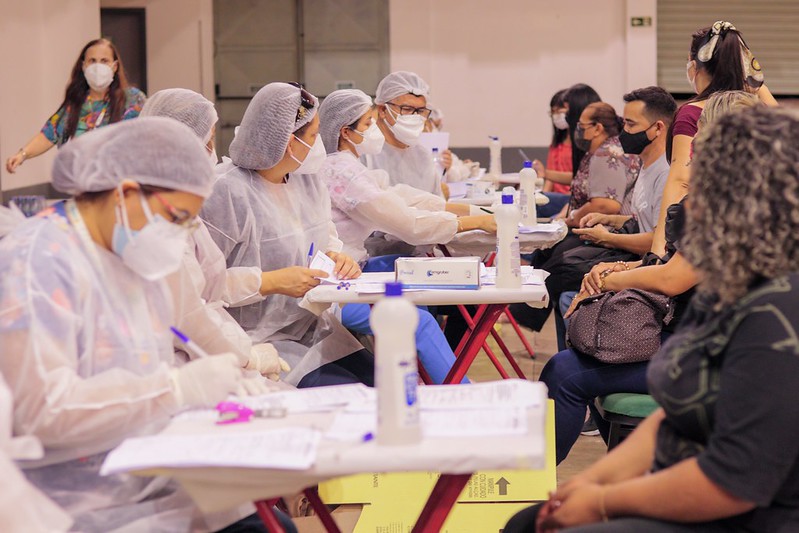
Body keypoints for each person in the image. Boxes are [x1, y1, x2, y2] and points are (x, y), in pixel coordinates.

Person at [507, 105, 799, 533]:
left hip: (745, 515)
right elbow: (677, 411)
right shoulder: (733, 282)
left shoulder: (776, 315)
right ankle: (528, 477)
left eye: (702, 173)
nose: (690, 187)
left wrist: (602, 501)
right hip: (700, 480)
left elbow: (730, 484)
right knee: (528, 519)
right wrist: (587, 483)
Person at [0, 117, 283, 532]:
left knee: (267, 522)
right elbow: (44, 410)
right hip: (70, 498)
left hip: (143, 471)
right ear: (127, 193)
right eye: (178, 217)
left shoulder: (130, 258)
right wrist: (177, 389)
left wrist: (211, 392)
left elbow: (145, 362)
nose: (181, 234)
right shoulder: (37, 262)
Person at [201, 82, 375, 388]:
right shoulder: (227, 193)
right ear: (287, 143)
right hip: (257, 341)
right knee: (355, 399)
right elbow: (201, 285)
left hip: (314, 330)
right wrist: (271, 282)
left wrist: (337, 257)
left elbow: (325, 238)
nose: (319, 143)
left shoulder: (305, 182)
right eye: (313, 135)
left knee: (386, 384)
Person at [317, 88, 496, 383]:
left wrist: (460, 208)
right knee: (421, 321)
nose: (374, 130)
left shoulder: (346, 166)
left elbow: (396, 196)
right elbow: (406, 223)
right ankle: (459, 389)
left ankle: (420, 374)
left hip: (352, 269)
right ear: (346, 132)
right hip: (336, 283)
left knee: (412, 269)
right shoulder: (343, 172)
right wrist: (470, 222)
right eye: (368, 124)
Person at [140, 88, 291, 382]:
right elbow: (188, 318)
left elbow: (207, 285)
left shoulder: (181, 208)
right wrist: (247, 358)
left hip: (211, 350)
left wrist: (265, 281)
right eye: (209, 142)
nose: (213, 152)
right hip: (185, 367)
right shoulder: (160, 219)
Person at [510, 102, 641, 342]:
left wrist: (570, 219)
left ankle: (521, 312)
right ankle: (524, 311)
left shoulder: (607, 153)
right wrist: (565, 216)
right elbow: (581, 194)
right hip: (604, 226)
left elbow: (605, 205)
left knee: (558, 262)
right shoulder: (601, 150)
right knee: (550, 251)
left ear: (597, 128)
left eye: (581, 126)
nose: (577, 130)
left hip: (612, 234)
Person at [651, 20, 777, 256]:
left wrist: (658, 249)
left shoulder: (693, 113)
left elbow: (681, 180)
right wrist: (754, 81)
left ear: (695, 64)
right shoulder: (756, 110)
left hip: (707, 234)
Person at [5, 38, 145, 173]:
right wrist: (22, 155)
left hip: (121, 183)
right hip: (82, 183)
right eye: (92, 61)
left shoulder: (133, 100)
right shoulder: (76, 102)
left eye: (104, 61)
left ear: (114, 66)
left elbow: (147, 138)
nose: (98, 66)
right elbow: (50, 133)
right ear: (84, 66)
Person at [367, 71, 443, 196]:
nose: (415, 116)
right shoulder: (367, 154)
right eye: (407, 109)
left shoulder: (423, 156)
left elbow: (437, 205)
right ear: (383, 110)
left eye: (421, 111)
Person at [533, 83, 601, 217]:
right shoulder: (575, 139)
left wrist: (564, 218)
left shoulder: (603, 150)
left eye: (564, 112)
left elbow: (598, 203)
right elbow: (579, 182)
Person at [537, 89, 573, 218]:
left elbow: (578, 179)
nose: (557, 116)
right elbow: (550, 180)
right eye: (553, 112)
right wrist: (542, 196)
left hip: (570, 197)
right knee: (532, 200)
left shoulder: (580, 144)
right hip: (555, 196)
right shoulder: (557, 143)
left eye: (560, 112)